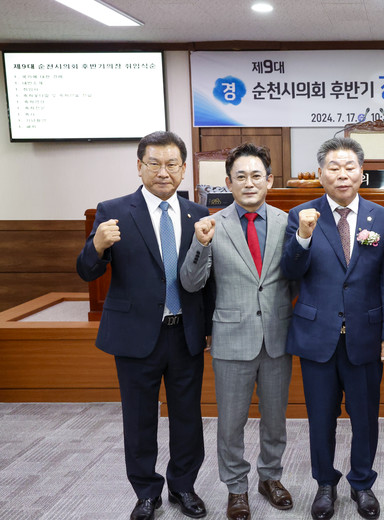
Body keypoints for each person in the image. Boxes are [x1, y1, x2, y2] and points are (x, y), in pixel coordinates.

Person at [76, 131, 211, 520]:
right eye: (154, 163)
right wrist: (97, 246)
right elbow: (86, 271)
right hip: (135, 334)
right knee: (139, 418)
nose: (163, 172)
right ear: (139, 167)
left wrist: (209, 329)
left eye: (172, 164)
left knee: (187, 417)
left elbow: (207, 279)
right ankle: (146, 492)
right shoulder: (114, 210)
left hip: (185, 332)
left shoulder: (198, 214)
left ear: (183, 169)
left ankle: (183, 486)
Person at [281, 137, 384, 520]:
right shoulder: (301, 215)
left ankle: (362, 483)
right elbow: (290, 271)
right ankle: (325, 484)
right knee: (321, 418)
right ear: (320, 174)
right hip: (318, 335)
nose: (342, 174)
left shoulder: (382, 218)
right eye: (333, 167)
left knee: (365, 417)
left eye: (350, 167)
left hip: (366, 335)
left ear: (362, 173)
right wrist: (303, 235)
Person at [179, 143, 295, 520]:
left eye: (256, 175)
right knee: (231, 423)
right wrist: (200, 244)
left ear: (269, 180)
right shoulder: (212, 225)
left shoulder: (287, 222)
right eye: (240, 176)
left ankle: (270, 477)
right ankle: (236, 487)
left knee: (275, 419)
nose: (249, 183)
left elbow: (295, 279)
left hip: (277, 336)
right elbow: (191, 282)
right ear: (228, 183)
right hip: (231, 338)